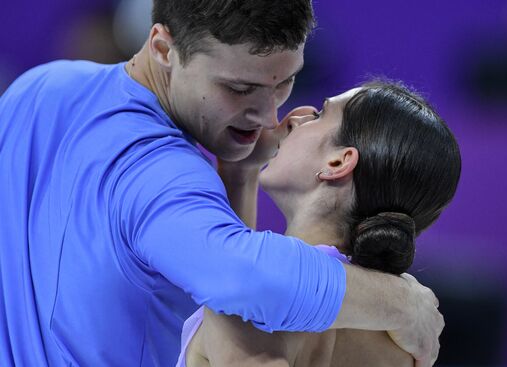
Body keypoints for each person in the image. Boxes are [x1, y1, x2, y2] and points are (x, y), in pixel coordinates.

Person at [0, 1, 442, 365]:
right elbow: (245, 280)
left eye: (286, 82)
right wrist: (401, 303)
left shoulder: (40, 86)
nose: (269, 117)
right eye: (239, 88)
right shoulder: (165, 173)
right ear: (162, 48)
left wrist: (240, 176)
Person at [177, 81, 461, 367]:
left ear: (337, 162)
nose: (297, 117)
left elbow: (254, 275)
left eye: (319, 115)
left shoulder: (249, 301)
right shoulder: (401, 340)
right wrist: (240, 171)